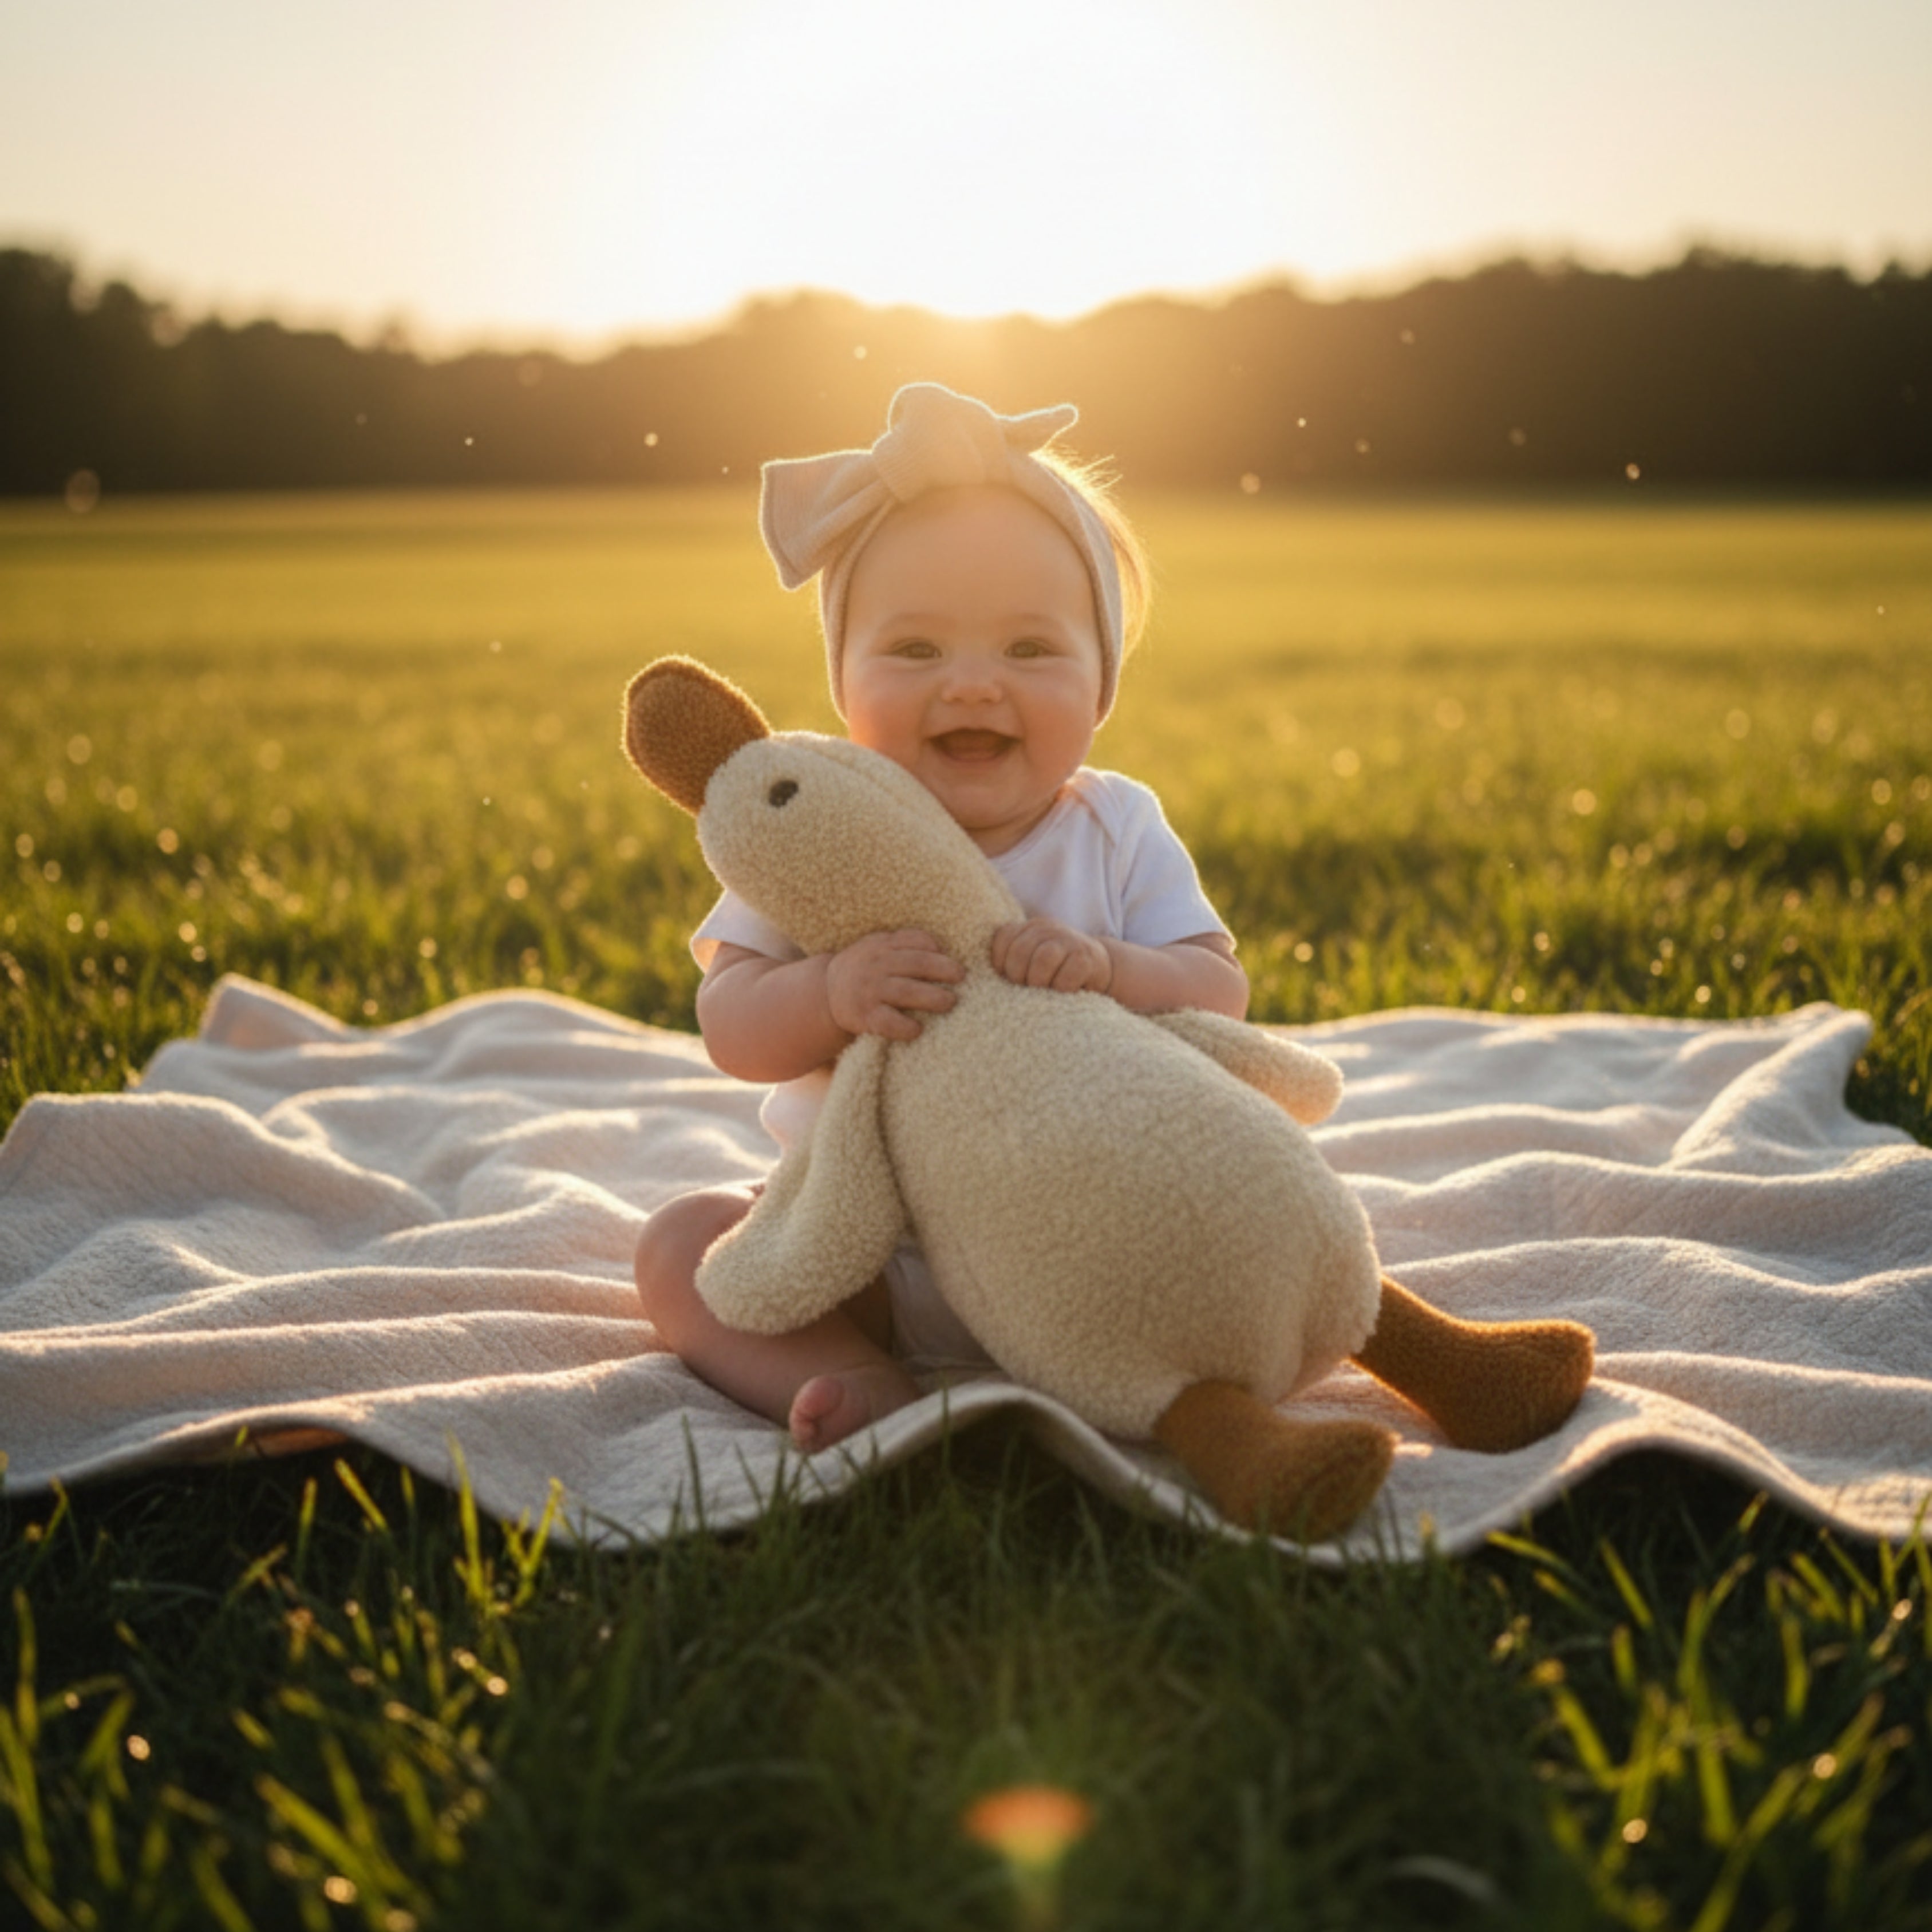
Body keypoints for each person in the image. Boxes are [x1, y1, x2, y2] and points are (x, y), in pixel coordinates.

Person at [634, 382, 1250, 1452]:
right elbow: (729, 1023)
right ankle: (861, 1380)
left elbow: (1219, 992)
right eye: (915, 652)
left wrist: (1111, 967)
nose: (971, 687)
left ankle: (1134, 1367)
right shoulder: (818, 826)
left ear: (1103, 680)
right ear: (843, 679)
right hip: (862, 1244)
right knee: (681, 1248)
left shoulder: (1115, 829)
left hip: (1080, 1235)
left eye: (1029, 651)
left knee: (1240, 1222)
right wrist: (827, 993)